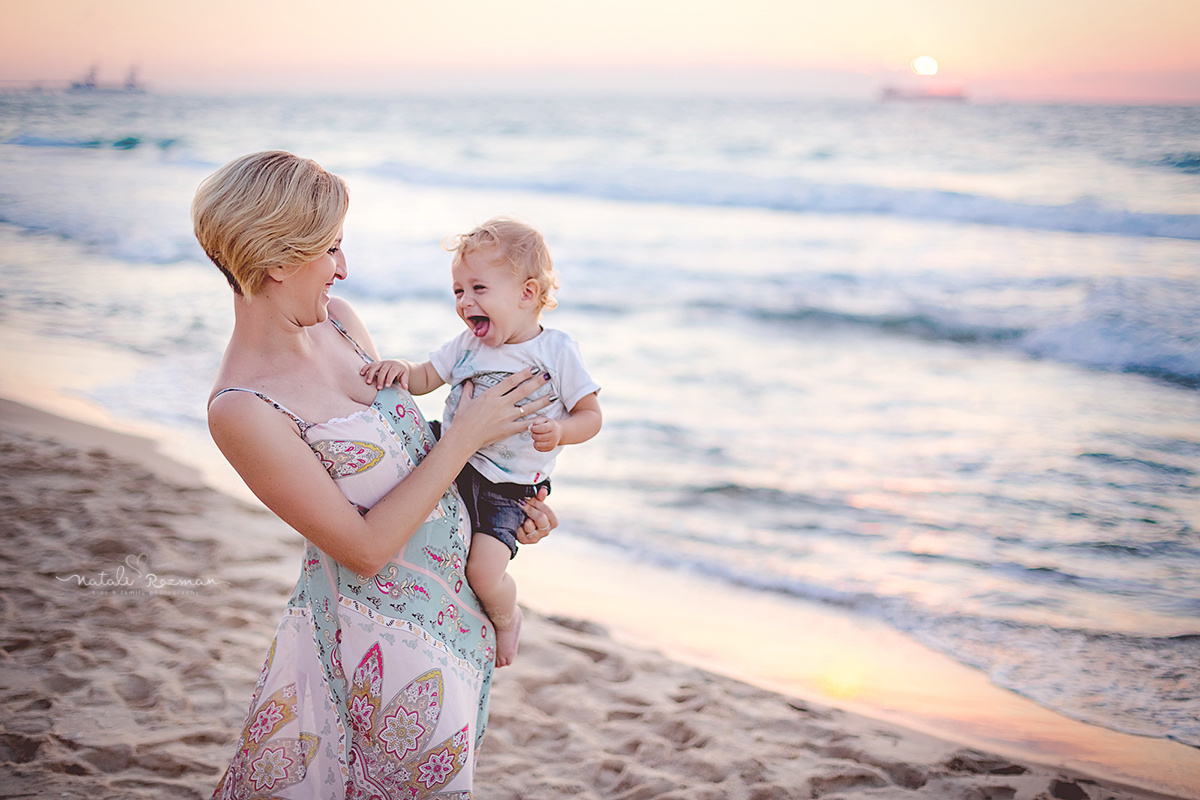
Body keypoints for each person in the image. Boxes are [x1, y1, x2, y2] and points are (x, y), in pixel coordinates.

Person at [195, 151, 557, 798]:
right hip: (378, 657)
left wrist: (505, 509)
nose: (342, 268)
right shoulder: (243, 409)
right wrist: (468, 433)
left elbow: (415, 466)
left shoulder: (341, 322)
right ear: (275, 261)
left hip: (457, 620)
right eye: (330, 250)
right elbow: (363, 548)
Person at [360, 218, 602, 668]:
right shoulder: (468, 345)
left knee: (483, 570)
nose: (465, 301)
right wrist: (400, 370)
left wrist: (562, 432)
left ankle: (507, 618)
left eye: (478, 289)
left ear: (527, 294)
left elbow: (591, 415)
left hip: (507, 487)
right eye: (458, 291)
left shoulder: (557, 351)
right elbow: (426, 376)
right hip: (450, 459)